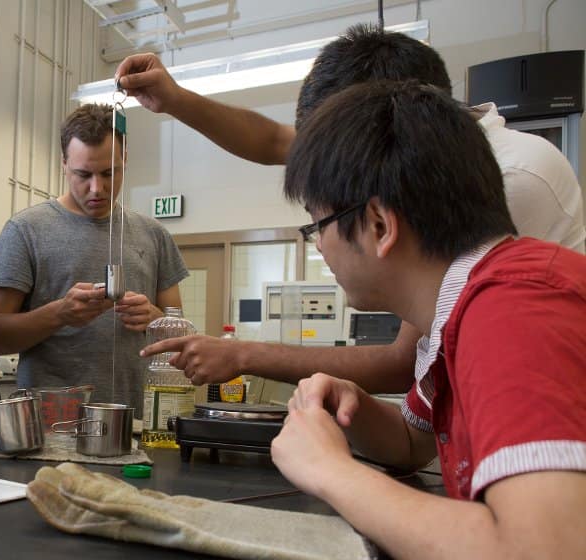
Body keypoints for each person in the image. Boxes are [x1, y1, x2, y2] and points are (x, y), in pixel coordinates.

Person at [270, 78, 586, 560]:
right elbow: (418, 441)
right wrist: (358, 409)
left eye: (317, 228)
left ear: (380, 226)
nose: (321, 249)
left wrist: (329, 471)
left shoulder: (515, 305)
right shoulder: (462, 308)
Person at [120, 25, 585, 394]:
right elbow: (271, 139)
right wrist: (175, 100)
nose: (323, 239)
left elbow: (402, 362)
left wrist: (243, 355)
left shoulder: (509, 177)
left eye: (322, 223)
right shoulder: (404, 149)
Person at [0, 103, 188, 411]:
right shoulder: (25, 231)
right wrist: (60, 314)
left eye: (109, 173)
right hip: (51, 425)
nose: (97, 188)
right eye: (83, 174)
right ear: (64, 164)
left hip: (136, 421)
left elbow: (179, 332)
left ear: (125, 160)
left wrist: (154, 318)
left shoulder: (153, 234)